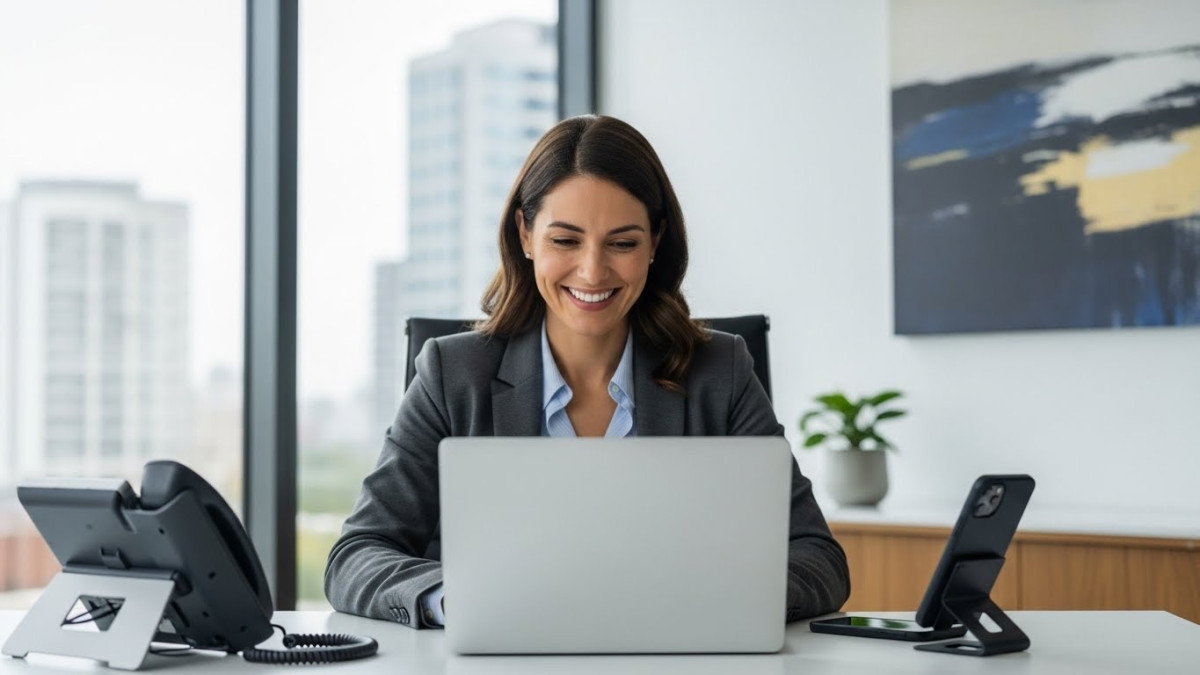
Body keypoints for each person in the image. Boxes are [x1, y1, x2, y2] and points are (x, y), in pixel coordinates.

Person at [325, 114, 850, 628]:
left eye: (622, 243)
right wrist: (452, 600)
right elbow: (356, 556)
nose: (593, 271)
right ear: (525, 234)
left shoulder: (721, 370)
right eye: (565, 240)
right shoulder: (452, 373)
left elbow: (819, 559)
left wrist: (719, 597)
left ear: (655, 243)